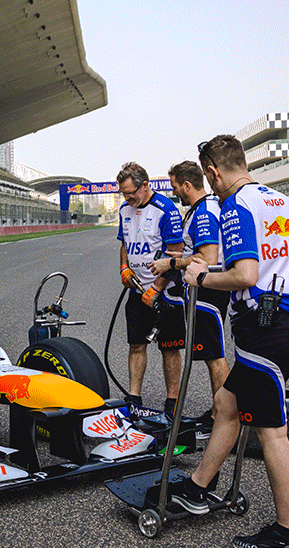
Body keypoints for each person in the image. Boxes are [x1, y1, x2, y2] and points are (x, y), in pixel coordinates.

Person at [173, 134, 289, 548]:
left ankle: (288, 534)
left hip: (266, 330)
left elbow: (245, 276)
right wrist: (284, 265)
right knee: (227, 403)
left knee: (273, 432)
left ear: (213, 172)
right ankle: (198, 487)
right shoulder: (287, 203)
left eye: (209, 179)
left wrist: (201, 277)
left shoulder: (236, 205)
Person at [150, 161, 230, 437]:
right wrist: (179, 256)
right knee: (210, 355)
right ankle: (217, 413)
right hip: (204, 289)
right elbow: (198, 251)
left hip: (208, 291)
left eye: (175, 187)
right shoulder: (202, 208)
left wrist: (172, 264)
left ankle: (222, 419)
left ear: (187, 185)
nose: (174, 192)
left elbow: (208, 257)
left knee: (214, 356)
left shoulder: (204, 212)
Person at [116, 162, 185, 416]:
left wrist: (156, 287)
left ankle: (172, 403)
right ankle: (134, 398)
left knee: (169, 347)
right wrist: (124, 267)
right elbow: (124, 244)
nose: (127, 198)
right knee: (136, 345)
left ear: (145, 185)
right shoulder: (124, 209)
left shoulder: (166, 210)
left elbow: (176, 253)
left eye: (130, 193)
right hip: (136, 291)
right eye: (123, 193)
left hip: (166, 293)